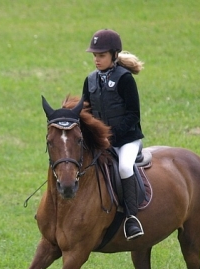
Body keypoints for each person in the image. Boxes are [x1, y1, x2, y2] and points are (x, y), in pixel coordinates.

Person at [81, 28, 146, 240]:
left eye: (101, 55)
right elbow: (86, 112)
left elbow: (133, 114)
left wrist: (111, 137)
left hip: (127, 140)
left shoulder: (125, 79)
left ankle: (131, 218)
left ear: (114, 55)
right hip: (102, 142)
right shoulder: (90, 80)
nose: (97, 60)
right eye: (95, 56)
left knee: (125, 167)